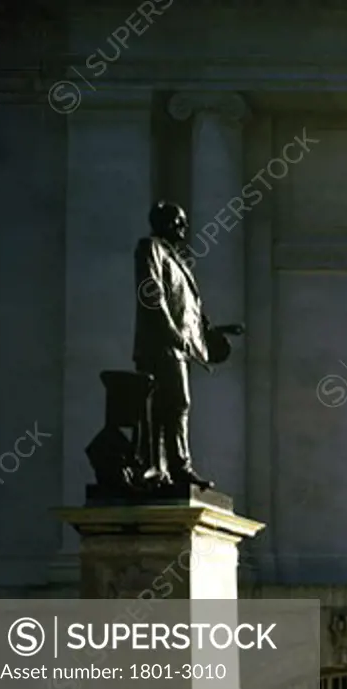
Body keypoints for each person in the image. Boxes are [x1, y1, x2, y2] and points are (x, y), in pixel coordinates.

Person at [134, 201, 244, 489]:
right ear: (163, 223)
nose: (183, 227)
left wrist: (212, 331)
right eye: (178, 222)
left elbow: (190, 311)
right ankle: (171, 467)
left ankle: (167, 467)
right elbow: (151, 294)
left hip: (178, 344)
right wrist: (171, 331)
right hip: (161, 343)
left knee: (170, 404)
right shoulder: (150, 248)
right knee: (174, 402)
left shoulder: (177, 260)